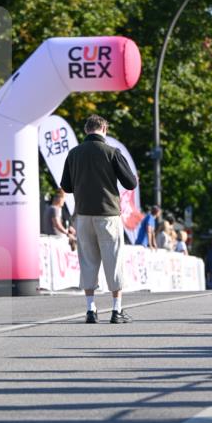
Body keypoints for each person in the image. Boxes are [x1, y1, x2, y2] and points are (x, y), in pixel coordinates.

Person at [60, 114, 138, 323]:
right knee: (113, 261)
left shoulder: (74, 153)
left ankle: (90, 310)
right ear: (104, 128)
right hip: (108, 214)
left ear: (87, 130)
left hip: (83, 214)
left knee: (87, 261)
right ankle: (116, 310)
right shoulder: (112, 152)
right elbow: (130, 183)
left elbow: (66, 186)